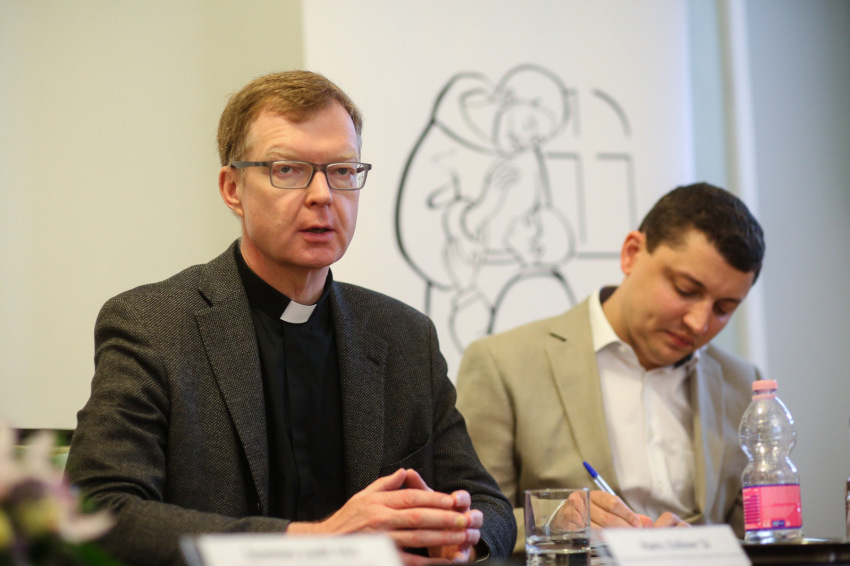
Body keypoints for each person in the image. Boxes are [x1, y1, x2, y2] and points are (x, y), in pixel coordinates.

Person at [66, 70, 516, 566]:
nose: (323, 194)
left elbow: (488, 504)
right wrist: (316, 542)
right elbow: (100, 510)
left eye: (342, 171)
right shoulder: (153, 325)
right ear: (232, 188)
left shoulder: (404, 335)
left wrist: (460, 536)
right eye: (288, 169)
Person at [455, 182, 764, 552]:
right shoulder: (502, 364)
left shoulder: (742, 383)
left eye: (723, 309)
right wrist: (556, 523)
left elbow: (760, 541)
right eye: (686, 290)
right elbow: (474, 524)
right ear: (632, 253)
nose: (699, 323)